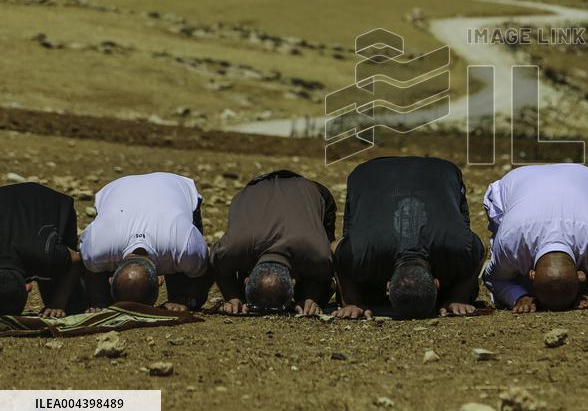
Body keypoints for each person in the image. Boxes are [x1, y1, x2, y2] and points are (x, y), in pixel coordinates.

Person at [333, 156, 484, 320]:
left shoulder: (457, 245)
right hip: (370, 174)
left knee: (361, 277)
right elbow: (336, 250)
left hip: (430, 172)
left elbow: (335, 249)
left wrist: (351, 301)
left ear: (388, 285)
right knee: (361, 278)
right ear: (437, 283)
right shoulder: (364, 250)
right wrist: (459, 297)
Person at [482, 164, 588, 312]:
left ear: (532, 274)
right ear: (580, 275)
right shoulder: (509, 242)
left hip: (585, 178)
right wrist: (519, 296)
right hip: (515, 183)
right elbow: (493, 279)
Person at [211, 170, 337, 315]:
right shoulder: (233, 247)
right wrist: (233, 297)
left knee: (320, 283)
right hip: (253, 191)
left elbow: (324, 274)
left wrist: (310, 297)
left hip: (309, 190)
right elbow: (216, 262)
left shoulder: (318, 254)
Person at [80, 172, 210, 311]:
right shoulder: (96, 250)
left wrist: (184, 299)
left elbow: (204, 270)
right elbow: (87, 267)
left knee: (186, 276)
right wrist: (98, 301)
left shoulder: (185, 247)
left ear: (160, 280)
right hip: (118, 188)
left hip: (174, 185)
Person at [0, 183, 85, 317]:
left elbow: (76, 259)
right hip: (8, 202)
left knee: (72, 305)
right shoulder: (38, 256)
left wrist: (58, 303)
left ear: (28, 287)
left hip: (49, 201)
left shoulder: (45, 257)